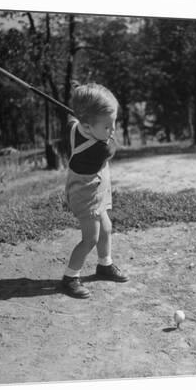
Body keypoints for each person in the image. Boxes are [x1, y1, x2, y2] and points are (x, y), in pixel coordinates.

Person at [61, 83, 128, 299]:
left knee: (106, 228)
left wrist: (81, 107)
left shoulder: (74, 127)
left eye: (114, 123)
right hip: (86, 193)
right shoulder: (101, 148)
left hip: (95, 188)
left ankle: (104, 265)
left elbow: (71, 119)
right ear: (88, 126)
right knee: (90, 238)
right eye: (107, 127)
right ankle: (70, 277)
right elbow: (113, 147)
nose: (113, 130)